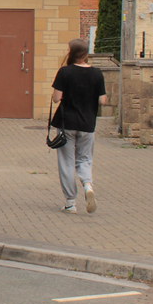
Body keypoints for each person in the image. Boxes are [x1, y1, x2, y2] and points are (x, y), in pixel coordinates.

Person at [50, 38, 109, 214]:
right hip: (87, 124)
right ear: (86, 53)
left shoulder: (65, 72)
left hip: (67, 123)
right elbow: (103, 100)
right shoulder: (97, 73)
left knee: (66, 162)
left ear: (71, 52)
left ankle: (70, 203)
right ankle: (87, 184)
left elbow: (56, 98)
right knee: (84, 159)